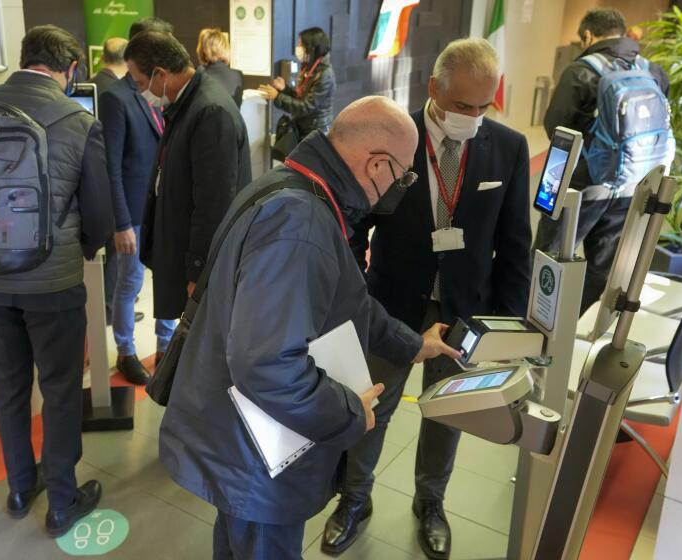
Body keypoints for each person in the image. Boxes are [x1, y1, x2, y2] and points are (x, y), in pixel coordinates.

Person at [158, 96, 462, 560]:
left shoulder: (292, 188)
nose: (401, 187)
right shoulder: (299, 221)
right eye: (403, 175)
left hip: (243, 440)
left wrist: (411, 343)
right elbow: (267, 366)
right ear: (378, 165)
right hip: (260, 459)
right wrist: (348, 412)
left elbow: (350, 299)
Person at [324, 38, 532, 559]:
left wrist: (506, 329)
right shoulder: (395, 138)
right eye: (464, 106)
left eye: (485, 107)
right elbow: (352, 224)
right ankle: (353, 499)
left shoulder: (506, 148)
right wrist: (354, 290)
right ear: (434, 88)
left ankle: (430, 502)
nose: (475, 117)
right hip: (391, 304)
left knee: (448, 415)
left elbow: (514, 245)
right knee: (370, 408)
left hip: (465, 311)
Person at [0, 25, 113, 537]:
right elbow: (101, 218)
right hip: (52, 285)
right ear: (70, 70)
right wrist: (77, 254)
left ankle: (21, 486)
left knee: (8, 384)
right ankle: (62, 499)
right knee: (61, 389)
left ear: (23, 59)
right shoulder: (78, 120)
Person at [537, 8, 670, 314]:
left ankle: (543, 321)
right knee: (603, 264)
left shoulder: (581, 71)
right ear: (622, 33)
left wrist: (550, 193)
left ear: (588, 35)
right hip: (631, 185)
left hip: (582, 187)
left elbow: (556, 129)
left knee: (551, 257)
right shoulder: (652, 70)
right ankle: (575, 317)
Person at [125, 31, 251, 333]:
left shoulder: (210, 111)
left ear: (160, 74)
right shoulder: (189, 103)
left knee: (206, 341)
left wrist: (199, 272)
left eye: (142, 83)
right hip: (185, 254)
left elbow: (214, 202)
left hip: (203, 267)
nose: (142, 92)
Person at [101, 17, 175, 384]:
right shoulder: (116, 98)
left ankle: (166, 346)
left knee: (167, 280)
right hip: (133, 211)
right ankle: (126, 352)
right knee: (128, 284)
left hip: (164, 208)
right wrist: (119, 223)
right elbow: (110, 167)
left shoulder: (165, 91)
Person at [89, 36, 128, 324]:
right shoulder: (118, 92)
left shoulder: (88, 86)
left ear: (103, 58)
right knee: (114, 252)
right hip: (113, 182)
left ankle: (106, 306)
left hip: (90, 182)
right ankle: (110, 310)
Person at [259, 27, 335, 136]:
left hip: (316, 131)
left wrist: (277, 97)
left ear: (311, 47)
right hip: (304, 127)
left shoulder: (325, 74)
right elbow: (300, 96)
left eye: (300, 44)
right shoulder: (309, 66)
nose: (298, 48)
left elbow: (306, 107)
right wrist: (285, 89)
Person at [196, 28, 244, 108]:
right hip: (232, 120)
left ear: (203, 50)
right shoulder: (238, 75)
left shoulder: (198, 76)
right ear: (225, 48)